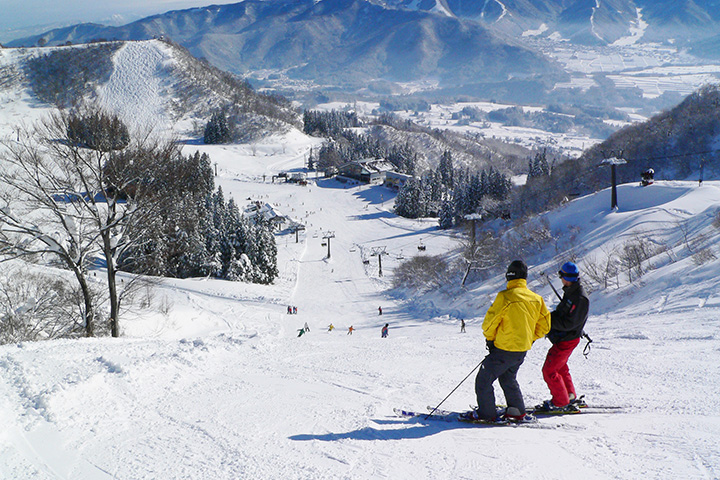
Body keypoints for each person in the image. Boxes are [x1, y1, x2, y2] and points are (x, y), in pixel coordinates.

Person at [469, 260, 550, 423]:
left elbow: (490, 323)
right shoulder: (536, 299)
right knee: (508, 378)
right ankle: (516, 410)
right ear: (525, 277)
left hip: (504, 348)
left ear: (508, 276)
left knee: (484, 380)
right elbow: (545, 326)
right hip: (521, 350)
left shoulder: (505, 297)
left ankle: (487, 414)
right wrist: (529, 338)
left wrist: (490, 340)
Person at [537, 262, 590, 412]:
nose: (561, 280)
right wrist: (546, 317)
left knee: (550, 370)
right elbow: (562, 313)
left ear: (565, 277)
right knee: (560, 367)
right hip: (565, 338)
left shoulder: (579, 298)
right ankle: (569, 395)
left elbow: (569, 323)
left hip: (568, 339)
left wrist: (549, 322)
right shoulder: (571, 292)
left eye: (561, 276)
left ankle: (560, 402)